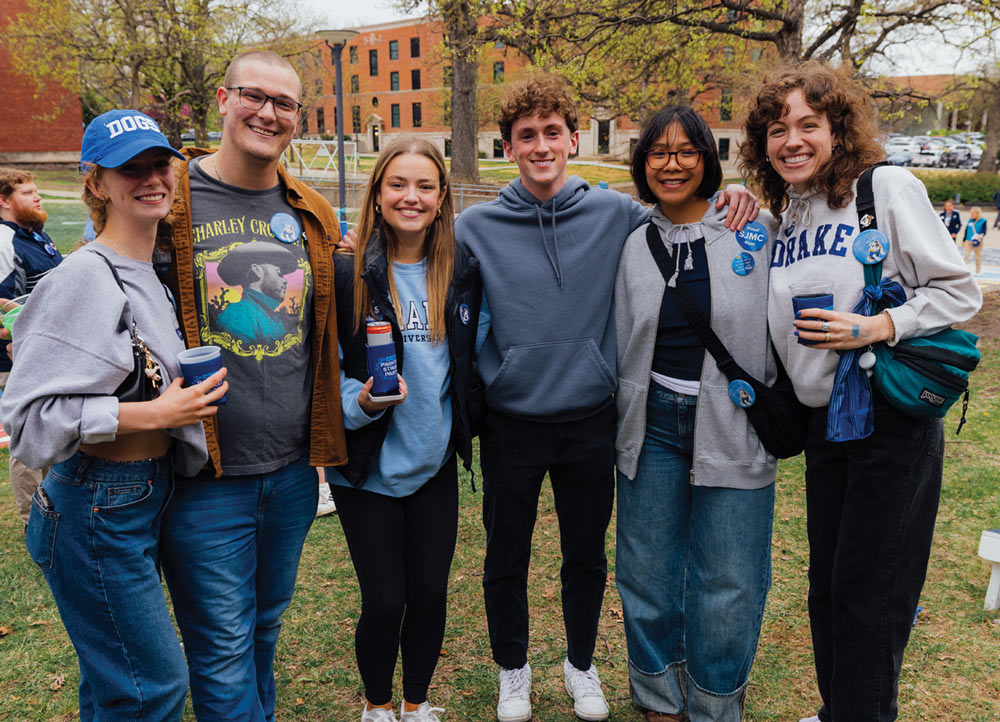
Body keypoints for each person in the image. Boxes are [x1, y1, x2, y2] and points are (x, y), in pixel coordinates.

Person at [454, 72, 758, 722]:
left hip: (592, 418)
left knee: (585, 555)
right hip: (511, 422)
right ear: (508, 145)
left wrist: (734, 194)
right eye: (526, 135)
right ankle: (514, 669)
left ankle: (581, 663)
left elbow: (682, 211)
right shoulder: (475, 226)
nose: (541, 145)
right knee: (505, 555)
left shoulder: (614, 212)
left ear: (571, 138)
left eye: (552, 132)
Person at [740, 62, 981, 722]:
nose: (791, 140)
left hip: (887, 420)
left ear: (838, 129)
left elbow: (959, 291)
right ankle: (838, 709)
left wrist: (878, 324)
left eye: (808, 125)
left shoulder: (884, 189)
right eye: (777, 128)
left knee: (870, 594)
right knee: (827, 589)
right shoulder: (786, 215)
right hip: (825, 425)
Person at [0, 109, 227, 721]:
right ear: (97, 182)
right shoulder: (84, 276)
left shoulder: (147, 270)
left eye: (161, 164)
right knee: (150, 687)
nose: (152, 177)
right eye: (132, 169)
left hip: (140, 498)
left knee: (115, 685)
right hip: (94, 506)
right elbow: (25, 421)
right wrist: (154, 413)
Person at [156, 50, 348, 722]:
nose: (268, 113)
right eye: (253, 96)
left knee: (264, 628)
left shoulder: (311, 212)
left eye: (285, 103)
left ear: (299, 116)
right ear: (223, 98)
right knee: (223, 646)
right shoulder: (167, 200)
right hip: (205, 474)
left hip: (294, 473)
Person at [614, 106, 777, 722]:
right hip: (650, 422)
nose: (672, 163)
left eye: (687, 151)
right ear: (643, 163)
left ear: (709, 157)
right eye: (658, 152)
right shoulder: (633, 241)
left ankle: (714, 703)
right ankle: (659, 695)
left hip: (733, 421)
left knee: (730, 581)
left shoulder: (753, 228)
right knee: (646, 569)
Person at [327, 136, 481, 722]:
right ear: (378, 193)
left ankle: (415, 705)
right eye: (398, 184)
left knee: (431, 597)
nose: (410, 197)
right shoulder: (349, 275)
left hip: (433, 466)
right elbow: (327, 377)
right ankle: (377, 706)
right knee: (385, 600)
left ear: (442, 198)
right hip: (366, 471)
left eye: (424, 186)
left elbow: (469, 363)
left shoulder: (460, 272)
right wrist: (361, 403)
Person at [0, 167, 62, 525]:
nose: (37, 197)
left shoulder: (34, 235)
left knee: (52, 435)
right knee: (27, 442)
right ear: (4, 201)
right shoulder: (4, 240)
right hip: (20, 360)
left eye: (37, 190)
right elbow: (2, 307)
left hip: (47, 355)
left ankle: (53, 511)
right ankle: (32, 521)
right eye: (27, 193)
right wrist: (18, 340)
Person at [962, 206, 987, 274]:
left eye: (973, 213)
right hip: (968, 240)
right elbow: (966, 230)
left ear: (978, 213)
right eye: (971, 213)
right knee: (966, 256)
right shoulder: (970, 220)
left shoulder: (983, 220)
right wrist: (963, 240)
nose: (972, 214)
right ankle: (964, 270)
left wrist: (980, 236)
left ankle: (978, 271)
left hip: (977, 241)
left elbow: (984, 231)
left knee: (977, 256)